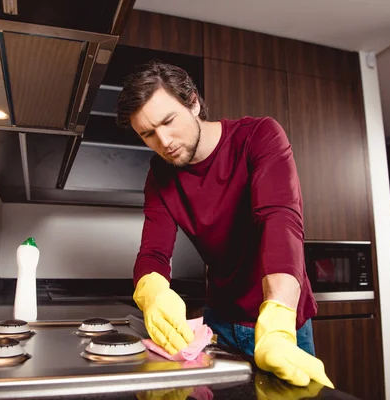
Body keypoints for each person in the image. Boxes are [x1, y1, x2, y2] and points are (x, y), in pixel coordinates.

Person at [116, 60, 334, 389]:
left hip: (278, 319)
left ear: (193, 101)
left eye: (168, 121)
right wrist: (153, 292)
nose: (164, 141)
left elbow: (280, 220)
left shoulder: (258, 136)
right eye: (148, 134)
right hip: (218, 320)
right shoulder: (160, 174)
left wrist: (276, 319)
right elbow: (154, 251)